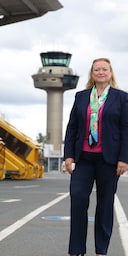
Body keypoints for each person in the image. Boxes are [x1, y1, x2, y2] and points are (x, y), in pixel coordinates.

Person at [64, 57, 128, 256]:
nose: (101, 72)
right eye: (97, 69)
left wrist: (124, 158)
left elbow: (126, 129)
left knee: (105, 204)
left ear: (110, 73)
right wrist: (68, 156)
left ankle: (101, 250)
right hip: (83, 158)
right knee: (78, 198)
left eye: (104, 69)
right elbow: (72, 127)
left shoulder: (122, 98)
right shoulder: (81, 97)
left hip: (108, 160)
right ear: (92, 73)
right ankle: (76, 250)